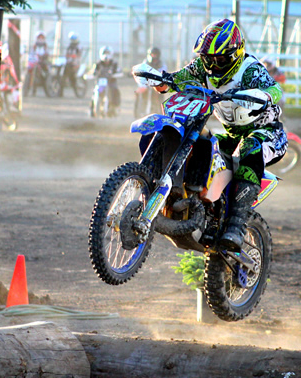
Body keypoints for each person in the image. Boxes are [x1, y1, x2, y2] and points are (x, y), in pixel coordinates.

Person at [135, 18, 287, 253]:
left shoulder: (250, 70)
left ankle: (236, 226)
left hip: (267, 133)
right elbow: (178, 78)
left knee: (249, 148)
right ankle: (192, 202)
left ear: (236, 54)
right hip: (232, 133)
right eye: (208, 58)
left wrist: (262, 95)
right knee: (204, 144)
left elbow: (274, 89)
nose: (214, 65)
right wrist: (162, 81)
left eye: (221, 59)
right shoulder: (201, 67)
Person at [88, 46, 122, 115]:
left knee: (115, 90)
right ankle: (92, 109)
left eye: (108, 53)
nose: (106, 56)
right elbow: (93, 71)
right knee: (95, 92)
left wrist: (116, 74)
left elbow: (119, 71)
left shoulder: (114, 63)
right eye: (104, 53)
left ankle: (115, 107)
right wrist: (91, 75)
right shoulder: (98, 63)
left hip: (111, 82)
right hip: (100, 82)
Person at [134, 47, 167, 117]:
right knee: (138, 93)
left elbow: (163, 73)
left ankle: (161, 112)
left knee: (160, 94)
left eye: (155, 54)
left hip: (156, 83)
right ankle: (137, 112)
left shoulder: (161, 64)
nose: (153, 56)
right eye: (152, 54)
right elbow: (141, 71)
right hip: (146, 82)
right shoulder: (145, 63)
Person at [27, 31, 50, 96]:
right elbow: (31, 53)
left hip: (42, 62)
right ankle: (30, 89)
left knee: (45, 74)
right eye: (39, 37)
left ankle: (47, 88)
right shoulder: (35, 45)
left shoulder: (45, 45)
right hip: (35, 62)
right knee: (31, 73)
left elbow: (47, 53)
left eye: (42, 37)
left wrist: (43, 57)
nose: (40, 39)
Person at [59, 31, 82, 97]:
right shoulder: (69, 46)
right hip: (68, 63)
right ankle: (60, 92)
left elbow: (78, 55)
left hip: (75, 64)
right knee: (63, 76)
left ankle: (76, 92)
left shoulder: (78, 46)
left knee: (72, 78)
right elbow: (67, 54)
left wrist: (73, 59)